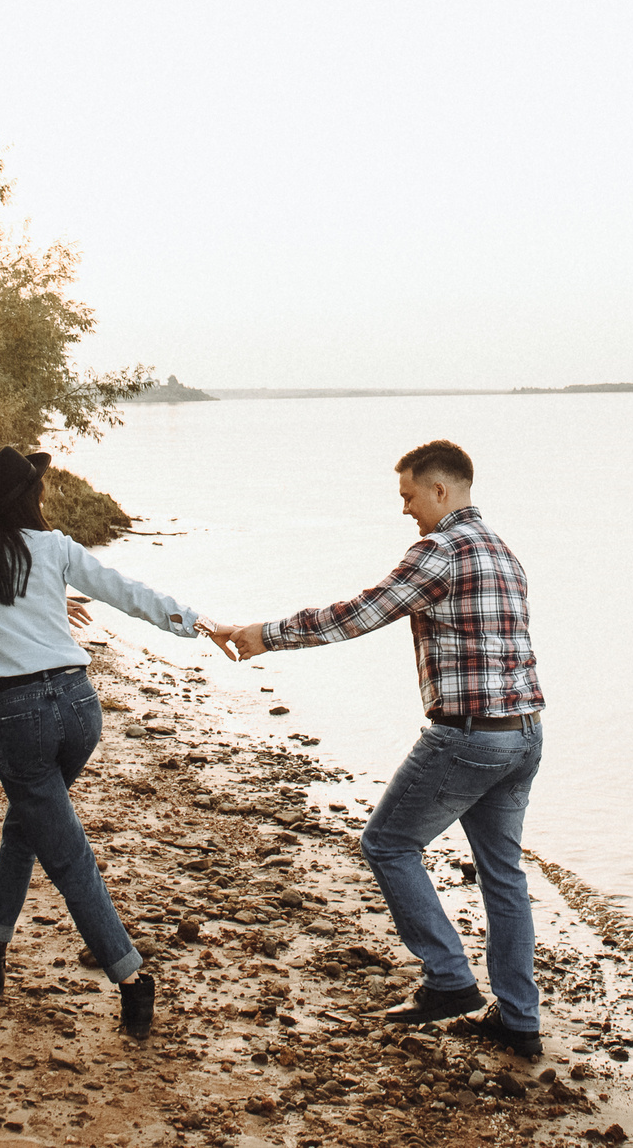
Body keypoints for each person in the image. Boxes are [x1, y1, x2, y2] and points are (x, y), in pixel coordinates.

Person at [203, 439, 546, 1057]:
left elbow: (357, 614)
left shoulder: (440, 552)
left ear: (441, 490)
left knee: (387, 843)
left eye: (410, 496)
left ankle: (449, 980)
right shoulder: (503, 551)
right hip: (523, 734)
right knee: (504, 876)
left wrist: (262, 635)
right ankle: (519, 1021)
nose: (406, 510)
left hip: (468, 736)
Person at [0, 445, 205, 1037]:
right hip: (81, 706)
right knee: (29, 823)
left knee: (67, 855)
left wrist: (23, 624)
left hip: (19, 717)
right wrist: (196, 623)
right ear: (29, 498)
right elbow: (124, 590)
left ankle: (131, 976)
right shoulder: (55, 547)